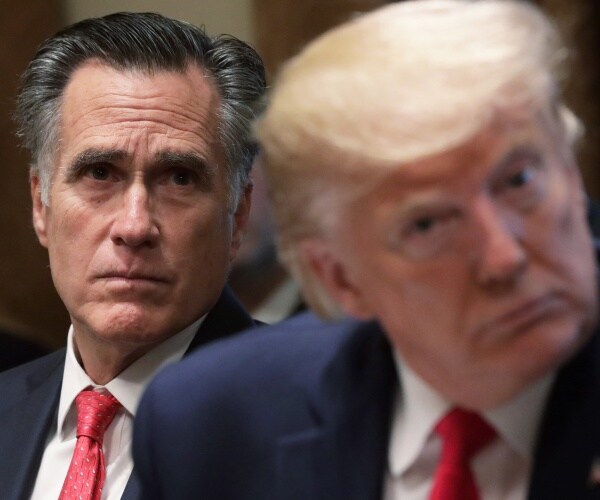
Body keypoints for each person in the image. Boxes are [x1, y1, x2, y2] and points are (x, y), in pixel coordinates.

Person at [134, 1, 600, 499]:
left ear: (571, 173)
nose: (504, 259)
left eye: (519, 181)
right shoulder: (211, 427)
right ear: (340, 278)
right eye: (427, 224)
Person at [0, 11, 265, 500]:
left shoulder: (319, 419)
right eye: (99, 172)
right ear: (41, 204)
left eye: (180, 179)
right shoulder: (6, 407)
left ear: (239, 213)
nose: (135, 226)